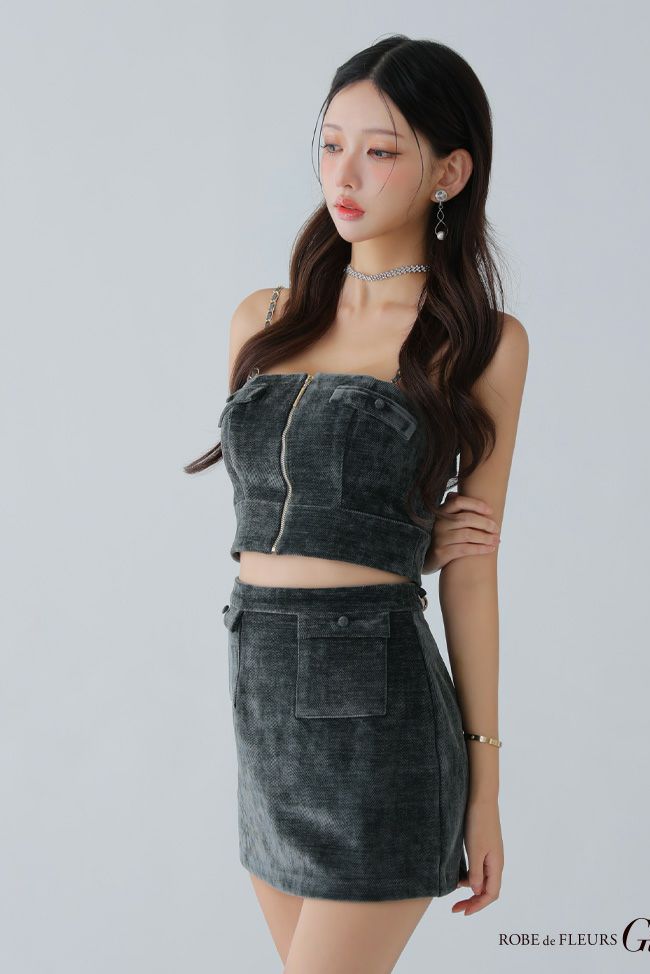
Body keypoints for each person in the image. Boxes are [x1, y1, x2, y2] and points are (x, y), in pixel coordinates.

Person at [186, 35, 528, 974]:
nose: (344, 175)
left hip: (380, 716)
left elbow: (474, 573)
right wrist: (403, 537)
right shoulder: (262, 318)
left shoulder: (481, 343)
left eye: (380, 151)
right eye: (331, 144)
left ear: (449, 172)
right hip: (262, 707)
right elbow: (284, 505)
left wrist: (486, 788)